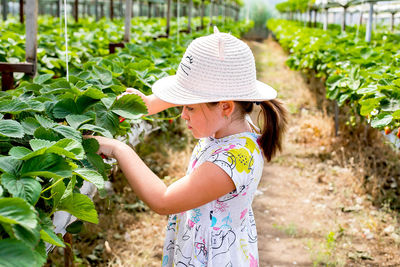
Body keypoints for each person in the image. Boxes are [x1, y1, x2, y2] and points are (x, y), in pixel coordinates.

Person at [89, 27, 287, 267]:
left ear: (226, 106)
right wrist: (149, 104)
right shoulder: (227, 125)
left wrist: (119, 149)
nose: (183, 114)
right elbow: (204, 97)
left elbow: (162, 200)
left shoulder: (231, 161)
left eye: (189, 108)